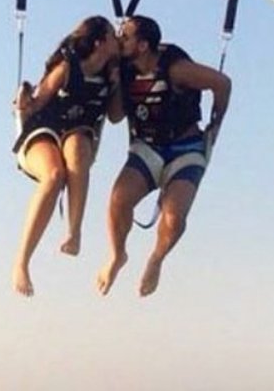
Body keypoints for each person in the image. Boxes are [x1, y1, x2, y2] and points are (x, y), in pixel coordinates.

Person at [96, 15, 231, 298]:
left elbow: (222, 83)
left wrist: (214, 126)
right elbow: (116, 115)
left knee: (172, 219)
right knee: (118, 201)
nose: (119, 40)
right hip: (148, 147)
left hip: (186, 149)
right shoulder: (125, 68)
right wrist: (117, 80)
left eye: (126, 36)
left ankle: (156, 258)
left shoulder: (176, 69)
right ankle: (117, 255)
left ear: (143, 45)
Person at [12, 15, 121, 296]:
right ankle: (21, 262)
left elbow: (116, 116)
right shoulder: (67, 69)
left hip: (78, 134)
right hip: (42, 132)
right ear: (100, 42)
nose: (118, 38)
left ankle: (74, 233)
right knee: (54, 175)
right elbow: (37, 103)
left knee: (77, 151)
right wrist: (23, 103)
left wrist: (118, 82)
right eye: (113, 34)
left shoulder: (110, 75)